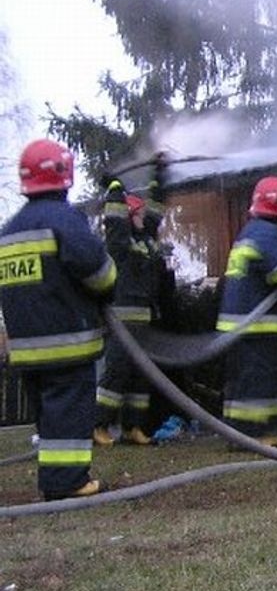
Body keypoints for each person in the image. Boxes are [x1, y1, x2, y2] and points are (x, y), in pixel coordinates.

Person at [0, 139, 117, 500]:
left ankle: (56, 481)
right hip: (68, 344)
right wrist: (106, 289)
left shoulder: (9, 232)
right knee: (70, 417)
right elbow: (99, 272)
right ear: (65, 174)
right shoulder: (64, 221)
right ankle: (68, 484)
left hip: (26, 351)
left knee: (50, 420)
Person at [216, 176, 277, 446]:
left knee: (242, 384)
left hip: (239, 325)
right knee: (261, 382)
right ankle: (259, 435)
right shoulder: (267, 233)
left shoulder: (251, 231)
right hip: (257, 326)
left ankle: (237, 435)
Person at [93, 169, 166, 447]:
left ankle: (132, 428)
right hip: (121, 320)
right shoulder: (119, 243)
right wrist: (115, 188)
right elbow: (114, 219)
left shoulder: (145, 240)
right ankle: (99, 426)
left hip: (143, 319)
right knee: (117, 373)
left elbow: (156, 214)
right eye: (136, 214)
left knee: (141, 375)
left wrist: (160, 180)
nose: (141, 217)